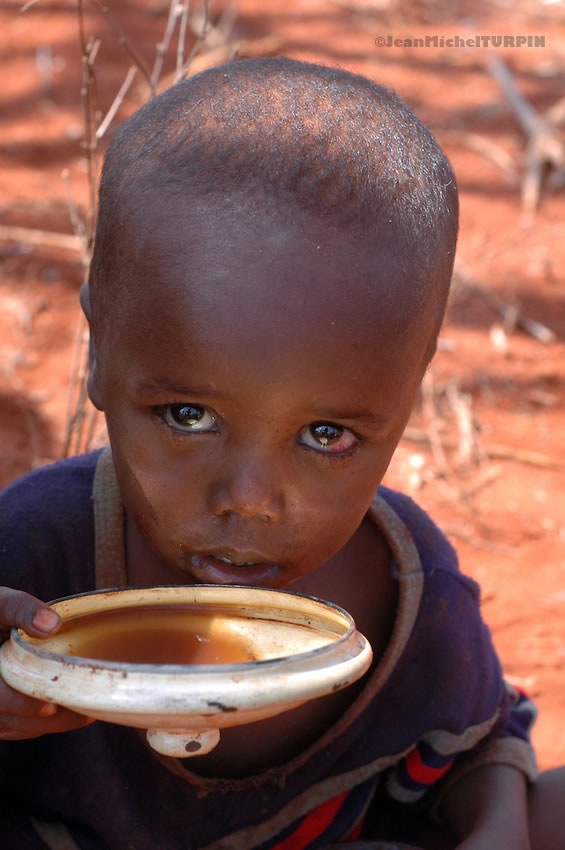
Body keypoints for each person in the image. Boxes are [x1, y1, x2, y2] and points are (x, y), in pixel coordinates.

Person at [0, 57, 562, 850]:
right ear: (97, 354)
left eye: (325, 435)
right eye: (187, 414)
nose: (251, 498)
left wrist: (497, 824)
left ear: (410, 387)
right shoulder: (33, 555)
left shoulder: (408, 587)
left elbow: (482, 739)